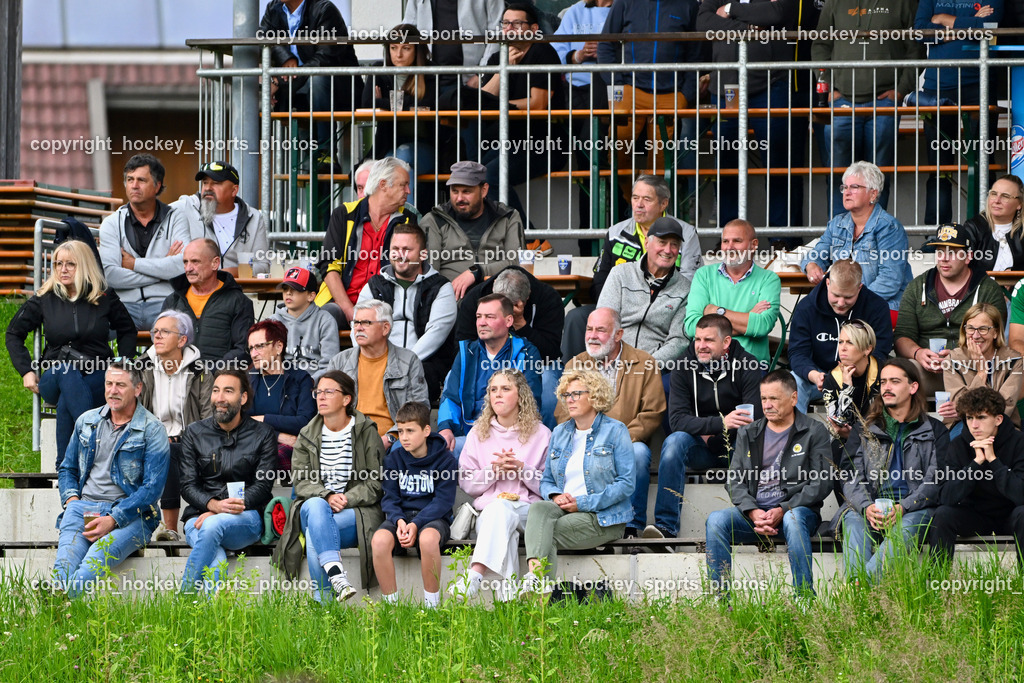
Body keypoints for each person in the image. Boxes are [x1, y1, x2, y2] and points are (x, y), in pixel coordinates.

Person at [6, 240, 137, 467]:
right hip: (55, 376)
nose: (62, 269)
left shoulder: (104, 297)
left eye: (70, 264)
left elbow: (128, 330)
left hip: (96, 373)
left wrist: (123, 365)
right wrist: (26, 371)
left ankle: (64, 466)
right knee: (66, 373)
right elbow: (13, 333)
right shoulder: (45, 299)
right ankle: (93, 441)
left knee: (70, 397)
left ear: (84, 265)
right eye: (57, 264)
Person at [705, 371, 831, 596]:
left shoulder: (814, 431)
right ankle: (719, 599)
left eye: (774, 398)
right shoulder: (748, 432)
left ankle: (804, 598)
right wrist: (752, 510)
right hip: (754, 517)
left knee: (793, 519)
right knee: (715, 520)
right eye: (764, 399)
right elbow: (734, 479)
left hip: (796, 515)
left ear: (793, 398)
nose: (767, 405)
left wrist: (783, 509)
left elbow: (822, 482)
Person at [53, 362, 169, 597]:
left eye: (120, 385)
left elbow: (151, 490)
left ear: (137, 388)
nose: (112, 390)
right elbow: (68, 468)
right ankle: (58, 609)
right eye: (109, 384)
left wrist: (113, 519)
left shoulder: (152, 429)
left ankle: (57, 607)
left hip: (133, 515)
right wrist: (72, 501)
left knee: (96, 557)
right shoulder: (86, 421)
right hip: (84, 508)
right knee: (65, 560)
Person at [272, 371, 385, 602]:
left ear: (346, 399)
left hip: (356, 512)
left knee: (315, 534)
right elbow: (302, 481)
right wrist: (327, 495)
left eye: (328, 392)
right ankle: (337, 579)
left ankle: (323, 600)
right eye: (318, 392)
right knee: (316, 507)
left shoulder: (366, 431)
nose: (321, 397)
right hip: (314, 507)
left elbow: (376, 482)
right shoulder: (307, 434)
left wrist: (346, 499)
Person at [563, 176, 703, 361]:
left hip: (664, 309)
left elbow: (688, 282)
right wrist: (619, 306)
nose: (638, 204)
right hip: (618, 305)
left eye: (646, 199)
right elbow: (600, 280)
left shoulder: (685, 233)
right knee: (576, 317)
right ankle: (574, 376)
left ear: (663, 204)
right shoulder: (616, 232)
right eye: (635, 198)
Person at [520, 370, 635, 596]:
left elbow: (626, 483)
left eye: (576, 394)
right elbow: (547, 480)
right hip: (564, 510)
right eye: (566, 395)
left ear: (594, 396)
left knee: (545, 534)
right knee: (539, 507)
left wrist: (581, 503)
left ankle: (541, 601)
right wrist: (555, 496)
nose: (569, 400)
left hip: (603, 518)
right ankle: (536, 578)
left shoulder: (616, 431)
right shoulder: (560, 432)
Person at [558, 307, 666, 540]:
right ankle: (588, 521)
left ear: (618, 335)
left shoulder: (645, 363)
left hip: (629, 440)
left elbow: (652, 412)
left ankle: (631, 526)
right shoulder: (575, 365)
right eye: (589, 329)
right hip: (584, 440)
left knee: (637, 453)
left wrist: (620, 440)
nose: (592, 335)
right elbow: (563, 414)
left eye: (601, 330)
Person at [696, 0, 801, 231]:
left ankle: (781, 237)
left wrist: (731, 11)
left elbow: (777, 13)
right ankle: (729, 237)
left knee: (778, 163)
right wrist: (747, 29)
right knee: (726, 163)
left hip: (771, 84)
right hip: (727, 88)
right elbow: (703, 22)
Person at [837, 359, 945, 583]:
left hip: (915, 509)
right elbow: (849, 474)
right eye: (883, 382)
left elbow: (936, 480)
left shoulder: (934, 430)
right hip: (872, 508)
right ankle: (863, 596)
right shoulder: (864, 428)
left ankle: (858, 593)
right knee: (853, 520)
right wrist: (866, 506)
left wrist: (904, 507)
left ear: (913, 387)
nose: (886, 387)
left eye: (895, 381)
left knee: (905, 528)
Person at [811, 0, 922, 214]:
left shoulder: (904, 3)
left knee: (878, 178)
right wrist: (830, 89)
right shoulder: (834, 3)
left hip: (885, 102)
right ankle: (840, 238)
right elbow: (820, 45)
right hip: (841, 102)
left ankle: (874, 237)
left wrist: (900, 91)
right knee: (839, 177)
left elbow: (915, 47)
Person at [659, 314, 764, 539]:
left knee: (753, 441)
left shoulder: (749, 365)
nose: (701, 346)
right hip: (701, 447)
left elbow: (752, 421)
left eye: (708, 340)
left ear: (726, 342)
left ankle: (754, 524)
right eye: (697, 339)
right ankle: (665, 528)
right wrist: (720, 423)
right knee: (674, 442)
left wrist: (714, 437)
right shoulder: (683, 367)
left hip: (736, 446)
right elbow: (677, 420)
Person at [450, 370, 551, 601]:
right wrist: (492, 472)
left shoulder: (542, 434)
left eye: (505, 389)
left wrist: (521, 469)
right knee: (503, 521)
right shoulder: (478, 433)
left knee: (501, 511)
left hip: (529, 512)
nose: (498, 395)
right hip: (490, 513)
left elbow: (550, 486)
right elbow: (466, 482)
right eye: (493, 390)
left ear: (521, 395)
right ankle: (509, 605)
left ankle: (474, 575)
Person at [468, 3, 568, 232]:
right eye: (505, 23)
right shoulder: (498, 57)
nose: (509, 28)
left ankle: (529, 239)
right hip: (511, 141)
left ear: (533, 28)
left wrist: (504, 106)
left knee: (491, 177)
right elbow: (482, 101)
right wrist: (504, 68)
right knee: (475, 174)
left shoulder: (542, 52)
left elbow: (538, 104)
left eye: (516, 23)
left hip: (546, 142)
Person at [179, 369, 278, 592]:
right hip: (198, 518)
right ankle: (211, 619)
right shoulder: (194, 433)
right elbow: (187, 485)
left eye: (228, 391)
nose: (220, 398)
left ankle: (183, 598)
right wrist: (213, 505)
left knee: (213, 524)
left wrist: (220, 510)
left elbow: (263, 486)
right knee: (217, 562)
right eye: (216, 391)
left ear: (243, 398)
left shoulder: (263, 434)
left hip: (246, 517)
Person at [912, 0, 1004, 225]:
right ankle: (938, 234)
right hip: (938, 86)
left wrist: (943, 20)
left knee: (983, 162)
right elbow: (919, 32)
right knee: (939, 166)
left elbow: (989, 28)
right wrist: (967, 28)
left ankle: (984, 232)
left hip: (979, 85)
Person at [597, 0, 703, 195]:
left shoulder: (688, 5)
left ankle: (652, 213)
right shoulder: (624, 2)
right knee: (617, 154)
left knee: (661, 164)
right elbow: (605, 44)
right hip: (629, 89)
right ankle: (633, 204)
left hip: (671, 93)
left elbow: (696, 53)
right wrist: (617, 84)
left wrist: (685, 94)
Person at [895, 224, 1005, 395]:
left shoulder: (988, 289)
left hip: (973, 367)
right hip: (928, 369)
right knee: (896, 377)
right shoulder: (917, 287)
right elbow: (902, 336)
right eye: (939, 252)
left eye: (952, 252)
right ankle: (911, 422)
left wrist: (959, 357)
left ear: (968, 257)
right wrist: (918, 353)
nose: (944, 258)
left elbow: (997, 340)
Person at [801, 161, 913, 321]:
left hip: (884, 306)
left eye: (854, 187)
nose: (847, 192)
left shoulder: (889, 228)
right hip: (845, 305)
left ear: (873, 194)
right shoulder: (836, 224)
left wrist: (852, 301)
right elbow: (818, 253)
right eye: (844, 187)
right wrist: (811, 265)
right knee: (805, 313)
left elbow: (890, 280)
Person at [372, 401, 458, 607]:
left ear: (426, 430)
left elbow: (443, 501)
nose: (404, 437)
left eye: (410, 430)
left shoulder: (445, 461)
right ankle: (391, 608)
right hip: (402, 519)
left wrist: (417, 523)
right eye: (400, 431)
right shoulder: (394, 459)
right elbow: (390, 498)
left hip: (433, 519)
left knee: (427, 540)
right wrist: (399, 520)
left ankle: (432, 607)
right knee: (379, 541)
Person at [359, 223, 457, 404]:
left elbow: (436, 334)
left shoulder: (441, 287)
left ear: (423, 254)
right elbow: (359, 326)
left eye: (407, 249)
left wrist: (403, 364)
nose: (400, 255)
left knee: (422, 376)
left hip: (423, 362)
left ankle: (410, 430)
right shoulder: (374, 285)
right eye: (395, 249)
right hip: (378, 357)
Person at [928, 386, 1024, 568]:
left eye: (981, 417)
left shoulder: (1019, 443)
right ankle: (937, 584)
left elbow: (1020, 495)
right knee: (943, 515)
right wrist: (976, 463)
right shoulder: (958, 445)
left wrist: (994, 461)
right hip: (975, 516)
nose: (974, 425)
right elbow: (946, 496)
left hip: (1010, 515)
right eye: (970, 418)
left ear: (998, 419)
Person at [437, 294, 545, 455]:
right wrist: (445, 428)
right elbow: (451, 397)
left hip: (510, 439)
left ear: (509, 321)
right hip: (469, 436)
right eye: (479, 317)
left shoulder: (526, 353)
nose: (481, 322)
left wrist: (498, 434)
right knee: (433, 451)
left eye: (489, 317)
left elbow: (530, 402)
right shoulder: (467, 353)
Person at [138, 310, 213, 541]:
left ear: (182, 340)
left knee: (175, 451)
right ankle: (170, 530)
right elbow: (136, 411)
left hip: (193, 440)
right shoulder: (142, 368)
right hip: (152, 441)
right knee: (166, 450)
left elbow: (208, 416)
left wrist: (190, 439)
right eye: (155, 332)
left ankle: (178, 527)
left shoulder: (200, 371)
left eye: (164, 332)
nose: (157, 336)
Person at [315, 158, 416, 327]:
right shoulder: (344, 214)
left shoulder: (407, 220)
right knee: (325, 317)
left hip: (386, 306)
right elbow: (329, 265)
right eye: (403, 185)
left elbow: (409, 269)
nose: (408, 191)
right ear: (383, 185)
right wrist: (349, 311)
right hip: (342, 303)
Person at [456, 267, 564, 423]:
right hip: (487, 358)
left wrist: (520, 323)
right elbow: (462, 347)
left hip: (537, 362)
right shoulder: (475, 298)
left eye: (508, 308)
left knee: (548, 383)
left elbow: (550, 353)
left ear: (526, 299)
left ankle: (543, 439)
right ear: (492, 291)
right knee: (455, 378)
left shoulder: (548, 298)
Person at [98, 154, 190, 330]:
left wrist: (134, 264)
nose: (134, 185)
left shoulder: (176, 217)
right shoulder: (111, 223)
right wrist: (162, 269)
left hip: (165, 305)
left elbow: (182, 265)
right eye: (130, 179)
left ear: (157, 186)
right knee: (93, 330)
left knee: (179, 330)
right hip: (123, 305)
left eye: (141, 180)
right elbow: (109, 275)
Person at [788, 259, 893, 412]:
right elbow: (797, 353)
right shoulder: (807, 307)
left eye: (848, 297)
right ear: (828, 283)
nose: (841, 302)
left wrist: (856, 374)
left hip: (862, 378)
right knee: (793, 382)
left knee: (889, 378)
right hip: (819, 377)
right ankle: (797, 435)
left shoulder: (877, 307)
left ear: (859, 288)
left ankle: (876, 432)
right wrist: (814, 375)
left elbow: (880, 351)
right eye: (836, 295)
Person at [259, 0, 363, 150]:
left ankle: (324, 153)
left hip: (338, 87)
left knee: (317, 80)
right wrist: (285, 57)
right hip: (297, 85)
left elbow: (327, 58)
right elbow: (262, 38)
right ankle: (304, 160)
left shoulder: (324, 9)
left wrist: (285, 80)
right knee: (249, 87)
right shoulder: (273, 8)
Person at [362, 24, 446, 207]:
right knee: (378, 168)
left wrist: (385, 103)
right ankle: (397, 223)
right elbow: (367, 104)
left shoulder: (431, 72)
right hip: (388, 146)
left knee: (400, 156)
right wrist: (407, 104)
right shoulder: (380, 70)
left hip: (429, 147)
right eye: (393, 48)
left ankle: (403, 221)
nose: (398, 54)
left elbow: (429, 104)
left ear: (417, 50)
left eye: (406, 48)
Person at [327, 300, 429, 447]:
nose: (358, 328)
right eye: (356, 323)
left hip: (394, 441)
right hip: (348, 440)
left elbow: (419, 408)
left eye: (366, 323)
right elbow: (328, 408)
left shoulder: (408, 361)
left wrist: (390, 438)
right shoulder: (339, 363)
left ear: (385, 328)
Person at [421, 160, 525, 299]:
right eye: (454, 191)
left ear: (484, 190)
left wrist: (477, 272)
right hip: (452, 298)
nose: (459, 198)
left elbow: (517, 262)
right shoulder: (434, 220)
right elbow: (429, 271)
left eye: (466, 191)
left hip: (498, 296)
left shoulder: (507, 217)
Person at [597, 217, 692, 367]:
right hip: (613, 361)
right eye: (662, 242)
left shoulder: (685, 288)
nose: (668, 250)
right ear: (647, 243)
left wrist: (647, 366)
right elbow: (603, 321)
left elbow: (678, 341)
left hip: (656, 368)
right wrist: (614, 361)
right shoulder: (620, 274)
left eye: (674, 245)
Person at [685, 220, 781, 365]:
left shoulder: (769, 279)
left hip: (750, 365)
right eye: (725, 241)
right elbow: (692, 327)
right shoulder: (703, 275)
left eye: (737, 241)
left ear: (754, 245)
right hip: (706, 364)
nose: (729, 247)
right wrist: (748, 319)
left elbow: (762, 326)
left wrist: (716, 311)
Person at [161, 238, 254, 365]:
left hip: (220, 379)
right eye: (185, 262)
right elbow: (161, 345)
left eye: (195, 262)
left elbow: (243, 350)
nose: (188, 268)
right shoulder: (172, 301)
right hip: (180, 378)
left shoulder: (238, 302)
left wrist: (213, 373)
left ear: (215, 263)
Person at [171, 160, 269, 276]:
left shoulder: (254, 217)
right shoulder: (185, 207)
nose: (208, 188)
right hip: (193, 289)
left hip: (237, 290)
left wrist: (235, 272)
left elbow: (263, 265)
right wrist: (166, 258)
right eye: (205, 183)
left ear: (234, 190)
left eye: (216, 183)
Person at [246, 319, 316, 471]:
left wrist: (263, 419)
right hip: (254, 443)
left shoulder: (300, 378)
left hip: (292, 449)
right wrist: (277, 435)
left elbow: (305, 422)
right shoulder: (247, 379)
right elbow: (241, 422)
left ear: (278, 346)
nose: (253, 354)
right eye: (251, 348)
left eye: (259, 346)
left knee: (272, 457)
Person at [940, 303, 1023, 429]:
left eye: (983, 329)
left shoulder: (1013, 360)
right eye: (971, 328)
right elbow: (960, 407)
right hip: (963, 425)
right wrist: (981, 372)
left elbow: (1005, 407)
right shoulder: (952, 360)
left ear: (995, 332)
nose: (976, 335)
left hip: (1002, 424)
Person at [402, 0, 502, 88]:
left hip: (470, 79)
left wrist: (481, 73)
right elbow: (408, 30)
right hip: (427, 79)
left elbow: (498, 32)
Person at [272, 266, 340, 381]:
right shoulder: (272, 321)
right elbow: (265, 360)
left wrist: (309, 383)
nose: (288, 293)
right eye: (285, 288)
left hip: (313, 386)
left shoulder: (325, 320)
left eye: (295, 289)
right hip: (280, 382)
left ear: (311, 296)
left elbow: (330, 365)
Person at [820, 320, 882, 439]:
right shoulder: (832, 379)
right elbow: (837, 427)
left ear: (867, 349)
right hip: (846, 441)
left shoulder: (883, 373)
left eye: (850, 343)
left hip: (880, 438)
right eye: (840, 342)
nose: (842, 348)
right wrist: (846, 388)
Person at [962, 174, 1024, 272]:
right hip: (981, 286)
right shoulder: (974, 227)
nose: (997, 200)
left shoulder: (1022, 230)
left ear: (1019, 204)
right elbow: (961, 266)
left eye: (1005, 196)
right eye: (994, 194)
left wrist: (1013, 273)